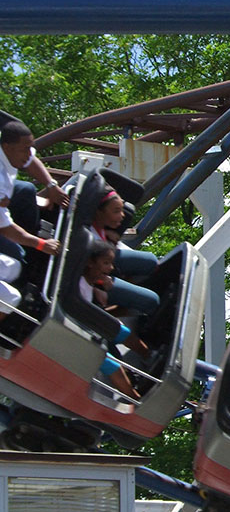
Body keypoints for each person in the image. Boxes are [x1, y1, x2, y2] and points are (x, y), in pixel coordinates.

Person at [80, 236, 150, 400]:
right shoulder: (81, 287)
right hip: (80, 332)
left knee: (122, 331)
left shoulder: (90, 283)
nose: (111, 268)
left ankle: (149, 357)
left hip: (93, 323)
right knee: (111, 364)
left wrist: (100, 287)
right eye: (106, 263)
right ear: (91, 262)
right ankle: (134, 398)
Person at [0, 118, 65, 274]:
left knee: (26, 189)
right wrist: (41, 244)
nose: (29, 154)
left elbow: (31, 160)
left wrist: (51, 186)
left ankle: (31, 236)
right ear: (6, 147)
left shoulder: (13, 150)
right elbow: (5, 227)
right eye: (25, 149)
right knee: (18, 257)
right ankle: (30, 266)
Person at [90, 189, 159, 321]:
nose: (121, 215)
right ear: (99, 212)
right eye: (116, 211)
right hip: (96, 281)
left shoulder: (99, 227)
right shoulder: (90, 241)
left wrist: (107, 235)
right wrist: (99, 283)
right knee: (152, 301)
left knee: (152, 262)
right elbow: (78, 271)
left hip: (105, 266)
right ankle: (109, 313)